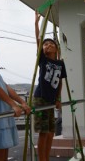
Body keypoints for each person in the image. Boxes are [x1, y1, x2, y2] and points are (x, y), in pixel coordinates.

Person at [33, 11, 67, 161]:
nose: (47, 45)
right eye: (46, 44)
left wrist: (58, 99)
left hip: (52, 100)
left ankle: (46, 158)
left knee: (51, 132)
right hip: (40, 99)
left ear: (56, 49)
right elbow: (38, 40)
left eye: (51, 44)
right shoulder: (42, 60)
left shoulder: (60, 63)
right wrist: (36, 24)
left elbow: (60, 82)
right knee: (43, 132)